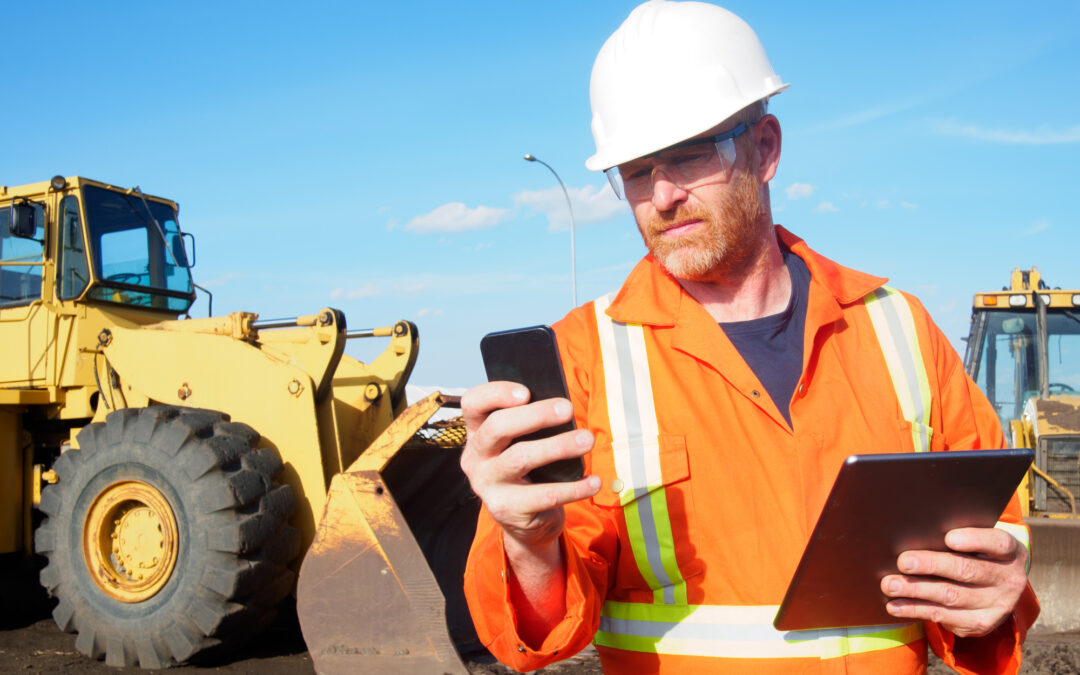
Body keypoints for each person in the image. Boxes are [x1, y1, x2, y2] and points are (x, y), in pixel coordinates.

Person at [459, 1, 1039, 672]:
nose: (663, 194)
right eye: (638, 171)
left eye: (687, 155)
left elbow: (994, 532)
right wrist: (529, 541)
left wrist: (996, 592)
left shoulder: (898, 328)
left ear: (765, 149)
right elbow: (544, 624)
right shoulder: (585, 358)